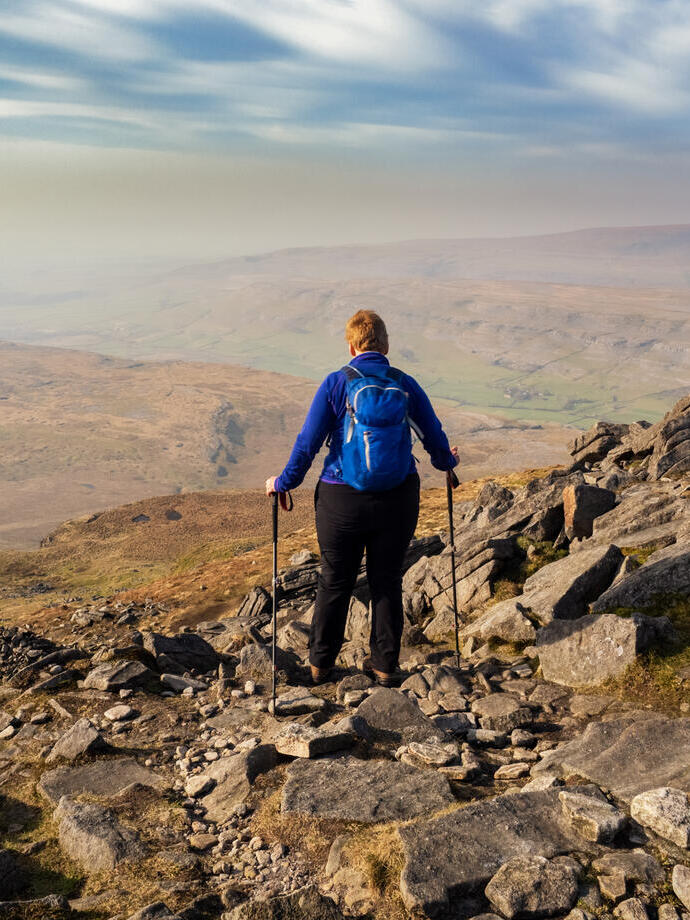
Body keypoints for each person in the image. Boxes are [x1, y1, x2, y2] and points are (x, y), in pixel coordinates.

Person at [265, 310, 458, 686]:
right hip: (398, 497)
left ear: (351, 346)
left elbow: (307, 444)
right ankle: (385, 667)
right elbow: (432, 435)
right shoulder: (405, 384)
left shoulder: (336, 383)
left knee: (335, 580)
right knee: (387, 580)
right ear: (385, 345)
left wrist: (283, 483)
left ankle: (320, 666)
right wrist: (447, 463)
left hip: (341, 498)